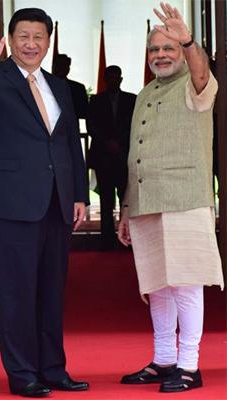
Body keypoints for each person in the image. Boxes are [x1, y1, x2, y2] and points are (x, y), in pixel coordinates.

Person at [0, 8, 89, 398]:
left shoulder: (59, 86)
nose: (31, 44)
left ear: (48, 41)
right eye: (23, 37)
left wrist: (79, 193)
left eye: (39, 37)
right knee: (17, 291)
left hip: (57, 202)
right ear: (10, 40)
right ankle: (23, 374)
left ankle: (53, 369)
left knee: (51, 290)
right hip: (15, 202)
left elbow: (68, 144)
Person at [118, 2, 224, 393]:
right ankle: (164, 358)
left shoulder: (196, 85)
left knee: (185, 283)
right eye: (154, 49)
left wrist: (190, 41)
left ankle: (189, 366)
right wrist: (127, 208)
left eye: (169, 48)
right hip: (147, 200)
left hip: (185, 198)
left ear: (182, 52)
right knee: (157, 284)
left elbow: (201, 71)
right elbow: (135, 155)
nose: (160, 55)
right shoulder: (145, 93)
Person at [86, 66, 136, 250]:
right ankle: (106, 241)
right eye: (110, 77)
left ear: (121, 79)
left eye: (117, 77)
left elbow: (134, 124)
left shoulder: (132, 100)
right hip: (104, 157)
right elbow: (92, 126)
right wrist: (108, 142)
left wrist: (119, 142)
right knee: (106, 201)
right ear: (106, 79)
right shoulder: (96, 100)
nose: (114, 80)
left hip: (124, 156)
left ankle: (128, 239)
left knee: (127, 199)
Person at [52, 53, 88, 126]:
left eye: (64, 66)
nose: (61, 69)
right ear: (53, 67)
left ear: (68, 68)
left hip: (71, 130)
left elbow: (84, 112)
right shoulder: (41, 86)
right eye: (59, 65)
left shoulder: (78, 88)